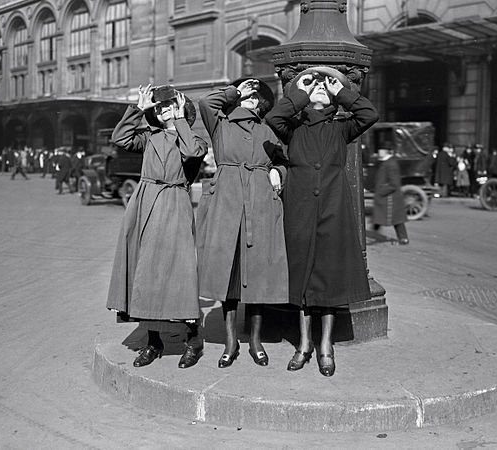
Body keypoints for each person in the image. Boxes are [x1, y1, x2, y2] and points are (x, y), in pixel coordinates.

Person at [266, 67, 379, 377]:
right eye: (312, 88)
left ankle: (325, 347)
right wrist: (299, 94)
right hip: (300, 210)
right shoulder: (293, 128)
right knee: (302, 280)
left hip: (332, 209)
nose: (318, 90)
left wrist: (341, 91)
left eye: (323, 89)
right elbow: (273, 118)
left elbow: (370, 114)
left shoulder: (341, 128)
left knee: (328, 279)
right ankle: (303, 345)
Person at [107, 84, 207, 369]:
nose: (164, 111)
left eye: (170, 106)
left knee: (179, 273)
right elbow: (121, 137)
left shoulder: (192, 139)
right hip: (145, 203)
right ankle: (153, 342)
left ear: (182, 110)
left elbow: (192, 152)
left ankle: (193, 341)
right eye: (160, 108)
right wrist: (137, 109)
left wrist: (179, 121)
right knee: (145, 271)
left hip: (174, 204)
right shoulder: (150, 137)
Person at [196, 78, 288, 368]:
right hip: (227, 203)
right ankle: (230, 341)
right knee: (229, 276)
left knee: (259, 274)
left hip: (259, 204)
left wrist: (278, 172)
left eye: (255, 96)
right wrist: (235, 91)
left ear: (262, 103)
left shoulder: (269, 129)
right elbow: (205, 103)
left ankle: (256, 341)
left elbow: (286, 159)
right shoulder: (221, 124)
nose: (250, 99)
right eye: (246, 95)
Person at [372, 147, 409, 245]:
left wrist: (381, 191)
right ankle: (374, 230)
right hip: (388, 195)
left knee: (396, 219)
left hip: (390, 197)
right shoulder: (386, 161)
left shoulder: (391, 164)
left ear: (385, 151)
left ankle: (403, 238)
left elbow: (394, 183)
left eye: (380, 149)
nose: (379, 151)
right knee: (394, 218)